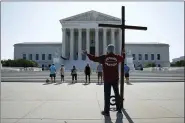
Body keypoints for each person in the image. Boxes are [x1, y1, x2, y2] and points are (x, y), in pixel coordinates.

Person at [83, 44, 125, 116]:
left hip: (107, 79)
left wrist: (87, 54)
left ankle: (106, 112)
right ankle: (119, 109)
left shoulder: (104, 57)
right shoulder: (117, 57)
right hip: (115, 79)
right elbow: (122, 58)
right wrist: (123, 53)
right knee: (117, 94)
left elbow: (94, 58)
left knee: (107, 95)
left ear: (107, 50)